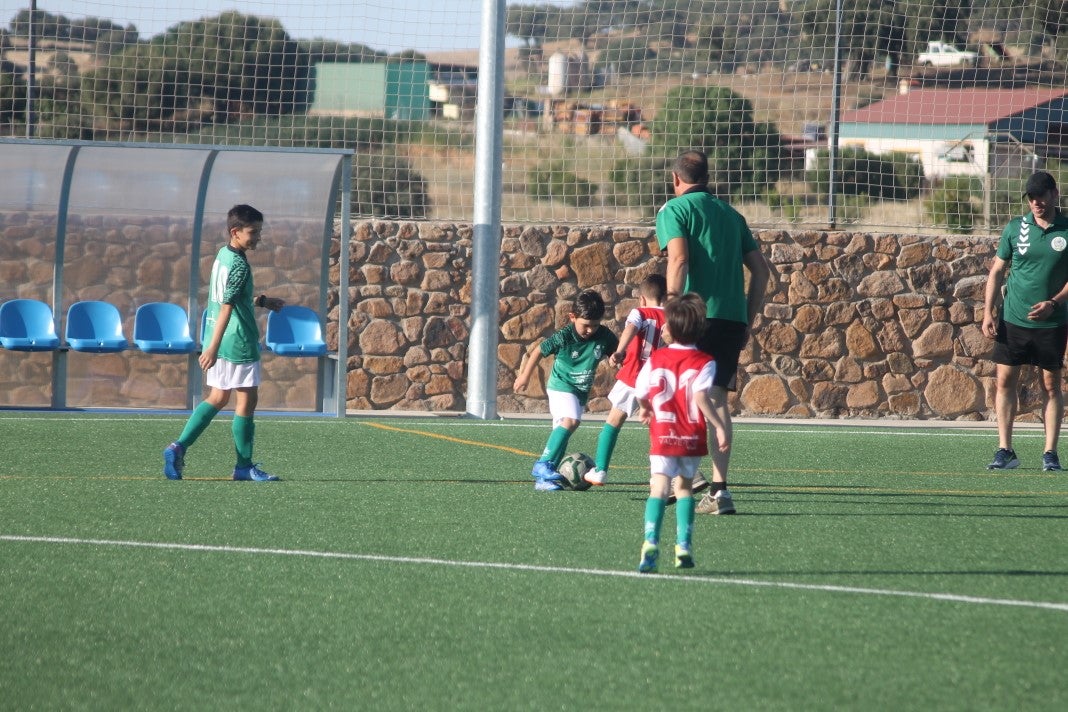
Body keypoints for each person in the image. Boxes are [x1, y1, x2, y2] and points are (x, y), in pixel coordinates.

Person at [656, 150, 772, 514]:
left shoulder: (674, 211)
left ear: (676, 179)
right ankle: (719, 491)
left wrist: (670, 312)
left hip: (692, 317)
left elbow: (678, 259)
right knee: (715, 400)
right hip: (731, 319)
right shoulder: (732, 215)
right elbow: (763, 272)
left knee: (675, 395)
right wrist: (747, 320)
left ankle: (683, 480)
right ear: (706, 178)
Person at [163, 204, 286, 481]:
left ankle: (178, 446)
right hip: (237, 341)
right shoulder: (240, 264)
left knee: (218, 397)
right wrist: (213, 349)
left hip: (218, 335)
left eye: (259, 232)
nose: (258, 238)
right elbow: (228, 306)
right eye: (253, 232)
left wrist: (263, 302)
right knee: (246, 401)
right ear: (235, 232)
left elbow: (230, 297)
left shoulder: (223, 255)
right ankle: (243, 466)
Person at [633, 293, 729, 572]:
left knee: (660, 488)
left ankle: (651, 541)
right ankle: (683, 545)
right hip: (690, 436)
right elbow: (701, 398)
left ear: (670, 330)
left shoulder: (657, 358)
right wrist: (720, 426)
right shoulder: (705, 361)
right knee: (685, 489)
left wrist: (645, 408)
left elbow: (641, 392)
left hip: (662, 433)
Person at [982, 171, 1068, 471]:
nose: (1036, 203)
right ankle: (1006, 451)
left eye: (1041, 196)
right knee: (1004, 381)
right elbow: (996, 272)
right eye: (1031, 198)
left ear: (1054, 194)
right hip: (1013, 320)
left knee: (1051, 385)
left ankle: (1050, 454)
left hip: (1052, 323)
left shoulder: (1066, 230)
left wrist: (1053, 303)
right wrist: (988, 312)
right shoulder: (1016, 228)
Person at [513, 289, 619, 491]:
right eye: (586, 325)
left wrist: (615, 358)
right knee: (571, 421)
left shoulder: (604, 335)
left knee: (563, 430)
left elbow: (615, 353)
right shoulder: (564, 336)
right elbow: (538, 351)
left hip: (580, 392)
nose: (591, 330)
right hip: (561, 386)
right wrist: (525, 376)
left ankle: (545, 480)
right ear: (572, 317)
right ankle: (542, 465)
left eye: (595, 325)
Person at [584, 273, 671, 487]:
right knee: (657, 428)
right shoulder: (673, 315)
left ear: (642, 298)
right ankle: (658, 477)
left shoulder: (640, 312)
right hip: (660, 381)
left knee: (613, 422)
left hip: (634, 375)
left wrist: (620, 350)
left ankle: (601, 470)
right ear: (666, 296)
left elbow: (631, 327)